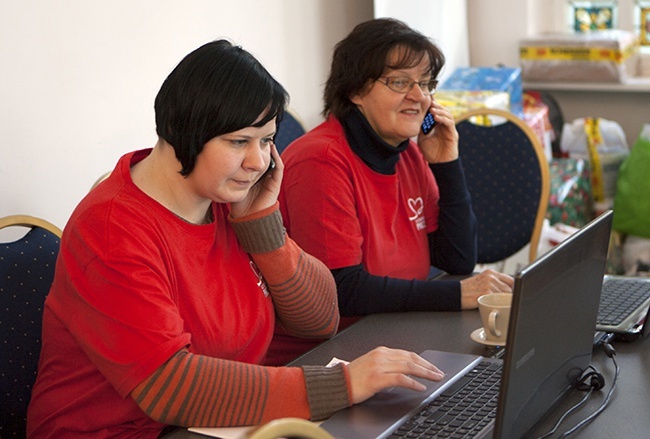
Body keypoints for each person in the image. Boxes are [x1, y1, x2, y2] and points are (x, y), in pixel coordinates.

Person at [26, 40, 446, 438]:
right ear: (181, 131)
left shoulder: (227, 200)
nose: (257, 161)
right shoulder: (112, 228)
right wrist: (342, 384)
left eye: (266, 142)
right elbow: (169, 387)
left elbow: (321, 321)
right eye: (238, 141)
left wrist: (263, 224)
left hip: (213, 425)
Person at [266, 18, 514, 366]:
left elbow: (456, 258)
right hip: (326, 357)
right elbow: (342, 290)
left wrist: (447, 165)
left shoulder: (408, 151)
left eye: (426, 84)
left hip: (393, 334)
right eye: (400, 82)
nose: (419, 96)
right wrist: (459, 294)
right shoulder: (320, 160)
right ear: (354, 90)